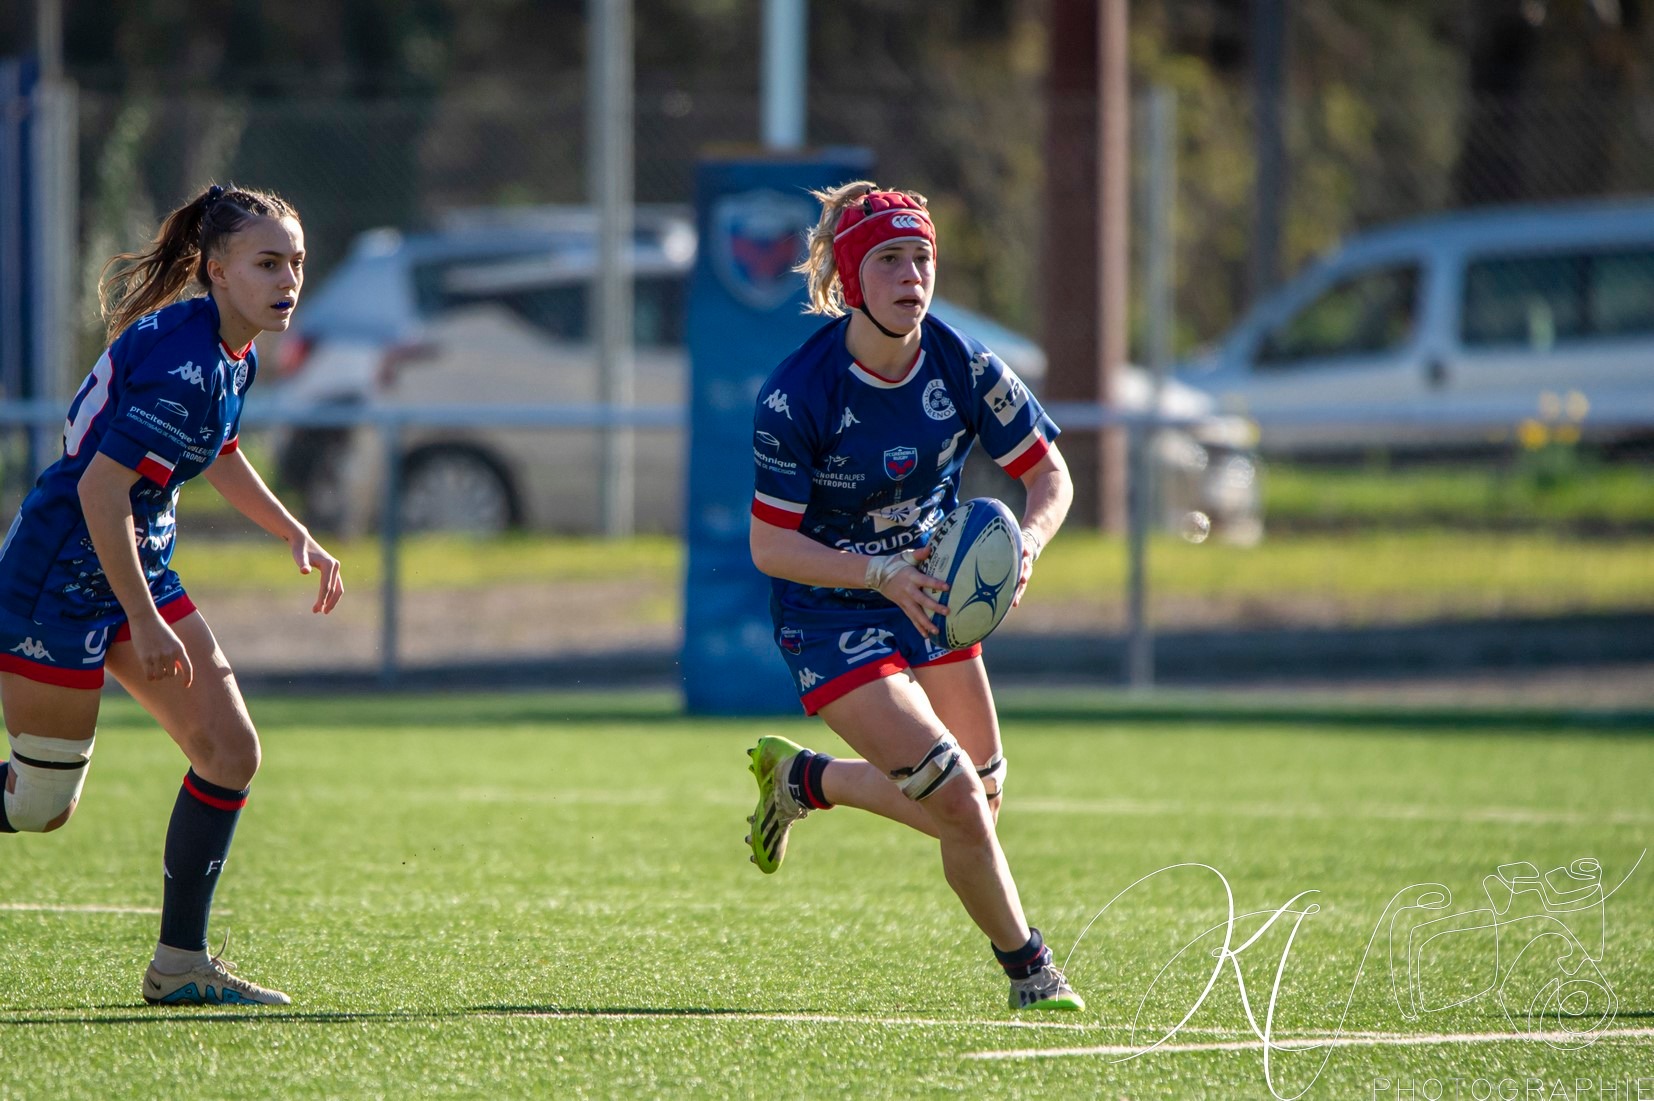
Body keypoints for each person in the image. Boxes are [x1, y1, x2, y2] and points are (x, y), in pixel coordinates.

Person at [0, 183, 343, 1006]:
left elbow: (217, 451)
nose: (287, 277)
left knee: (230, 754)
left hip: (132, 568)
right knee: (42, 806)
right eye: (268, 262)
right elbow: (98, 494)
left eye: (295, 261)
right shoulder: (188, 365)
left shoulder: (230, 349)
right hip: (59, 581)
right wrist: (147, 624)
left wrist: (290, 528)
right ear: (217, 270)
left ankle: (180, 964)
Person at [744, 181, 1081, 1011]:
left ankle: (806, 780)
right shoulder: (798, 395)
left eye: (922, 257)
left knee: (980, 806)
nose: (912, 275)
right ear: (853, 279)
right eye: (890, 259)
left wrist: (1028, 542)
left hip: (931, 596)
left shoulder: (963, 363)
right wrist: (875, 573)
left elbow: (1049, 474)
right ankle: (1031, 970)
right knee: (958, 797)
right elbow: (769, 546)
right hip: (830, 610)